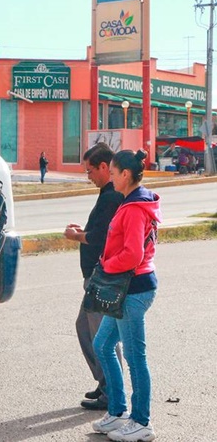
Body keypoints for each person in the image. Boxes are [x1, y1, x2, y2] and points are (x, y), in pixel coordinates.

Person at [91, 149, 161, 441]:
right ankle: (118, 411)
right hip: (130, 287)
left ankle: (142, 422)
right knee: (102, 345)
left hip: (133, 289)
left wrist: (106, 265)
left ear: (126, 174)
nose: (110, 178)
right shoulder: (133, 202)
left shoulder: (133, 208)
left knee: (134, 357)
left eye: (113, 172)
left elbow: (132, 254)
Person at [63, 142, 124, 411]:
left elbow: (100, 238)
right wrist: (82, 232)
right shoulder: (107, 194)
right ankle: (105, 383)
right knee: (85, 328)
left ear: (104, 167)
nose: (88, 176)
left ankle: (113, 393)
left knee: (103, 336)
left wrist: (76, 236)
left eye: (90, 171)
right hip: (97, 276)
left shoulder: (111, 196)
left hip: (103, 276)